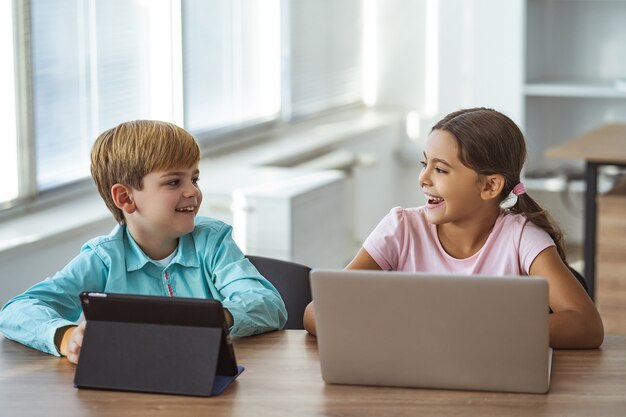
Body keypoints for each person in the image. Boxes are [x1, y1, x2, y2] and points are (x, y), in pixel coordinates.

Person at [303, 107, 604, 349]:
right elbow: (316, 314)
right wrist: (399, 328)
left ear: (489, 186)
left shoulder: (522, 238)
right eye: (425, 164)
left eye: (440, 169)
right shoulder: (401, 229)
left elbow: (587, 326)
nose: (423, 178)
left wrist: (476, 333)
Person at [0, 120, 287, 363]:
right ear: (125, 198)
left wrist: (215, 318)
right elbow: (17, 310)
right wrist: (65, 337)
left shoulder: (212, 242)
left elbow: (268, 304)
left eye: (194, 179)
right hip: (132, 390)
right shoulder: (104, 259)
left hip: (205, 380)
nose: (193, 192)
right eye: (174, 182)